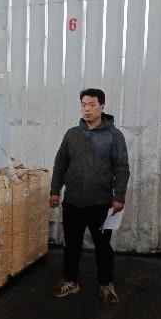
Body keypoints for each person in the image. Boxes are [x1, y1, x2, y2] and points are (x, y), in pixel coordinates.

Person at [49, 88, 130, 303]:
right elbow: (60, 164)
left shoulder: (114, 136)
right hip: (73, 201)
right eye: (84, 105)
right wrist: (55, 191)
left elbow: (122, 168)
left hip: (101, 203)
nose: (87, 109)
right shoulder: (72, 135)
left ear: (102, 107)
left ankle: (106, 285)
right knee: (71, 244)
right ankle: (70, 281)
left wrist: (119, 196)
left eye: (92, 105)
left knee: (103, 247)